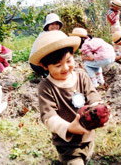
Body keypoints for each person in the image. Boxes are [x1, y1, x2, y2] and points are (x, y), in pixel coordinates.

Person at [29, 30, 103, 165]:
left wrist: (97, 109)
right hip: (66, 143)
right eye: (57, 65)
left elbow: (92, 96)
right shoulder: (46, 87)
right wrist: (69, 128)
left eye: (69, 60)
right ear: (44, 66)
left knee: (86, 158)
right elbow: (48, 116)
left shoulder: (81, 76)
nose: (65, 68)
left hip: (88, 136)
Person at [29, 13, 63, 78]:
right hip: (38, 64)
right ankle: (48, 75)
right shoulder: (43, 36)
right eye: (52, 24)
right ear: (47, 26)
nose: (54, 26)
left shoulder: (58, 34)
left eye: (56, 24)